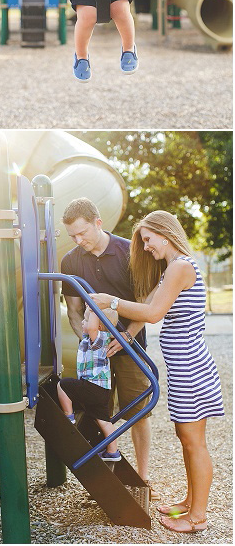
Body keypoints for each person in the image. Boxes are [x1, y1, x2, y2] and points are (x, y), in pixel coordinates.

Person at [93, 211, 224, 535]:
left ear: (165, 234)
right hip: (185, 368)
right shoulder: (173, 269)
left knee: (194, 443)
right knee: (186, 438)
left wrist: (111, 303)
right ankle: (190, 501)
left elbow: (153, 313)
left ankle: (197, 518)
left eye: (148, 239)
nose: (147, 247)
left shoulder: (180, 266)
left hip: (191, 368)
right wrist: (126, 334)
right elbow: (148, 306)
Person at [60, 199, 153, 483]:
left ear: (98, 223)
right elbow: (74, 311)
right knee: (96, 409)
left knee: (138, 411)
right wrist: (91, 342)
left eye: (82, 232)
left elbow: (145, 302)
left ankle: (143, 476)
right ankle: (105, 476)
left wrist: (127, 336)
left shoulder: (130, 252)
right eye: (72, 236)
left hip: (131, 347)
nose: (78, 240)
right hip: (94, 354)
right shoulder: (70, 261)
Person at [57, 305, 123, 462]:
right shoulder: (96, 339)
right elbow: (91, 326)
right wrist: (92, 313)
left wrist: (93, 309)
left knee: (63, 385)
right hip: (101, 390)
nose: (83, 322)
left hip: (93, 387)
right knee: (104, 422)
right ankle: (113, 452)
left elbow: (92, 326)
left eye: (86, 320)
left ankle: (68, 416)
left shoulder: (99, 338)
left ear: (98, 326)